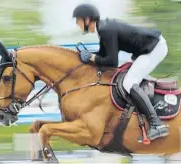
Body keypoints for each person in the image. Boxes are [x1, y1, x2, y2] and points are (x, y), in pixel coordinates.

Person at [72, 3, 169, 142]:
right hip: (146, 49)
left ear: (87, 19)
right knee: (128, 78)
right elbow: (104, 54)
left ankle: (157, 124)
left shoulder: (105, 29)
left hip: (154, 48)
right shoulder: (103, 28)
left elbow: (111, 62)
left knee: (129, 82)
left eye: (78, 20)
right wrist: (90, 56)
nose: (77, 24)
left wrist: (91, 57)